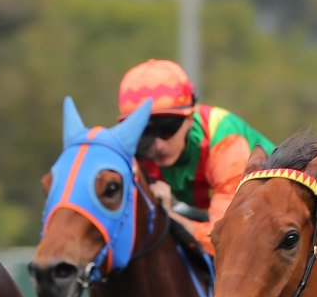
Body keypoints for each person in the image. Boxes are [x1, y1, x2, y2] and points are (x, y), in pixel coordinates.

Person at [117, 59, 274, 244]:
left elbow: (224, 239)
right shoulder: (133, 150)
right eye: (144, 133)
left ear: (190, 118)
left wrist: (167, 215)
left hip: (271, 217)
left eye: (168, 127)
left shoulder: (225, 142)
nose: (158, 145)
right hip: (209, 212)